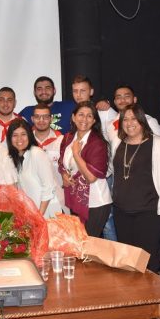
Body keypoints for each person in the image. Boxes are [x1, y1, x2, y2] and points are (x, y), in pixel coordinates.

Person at [109, 104, 160, 272]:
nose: (129, 123)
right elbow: (110, 169)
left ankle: (153, 288)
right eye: (125, 119)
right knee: (128, 260)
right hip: (121, 211)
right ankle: (132, 289)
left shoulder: (158, 143)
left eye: (134, 118)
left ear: (142, 120)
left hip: (149, 211)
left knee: (148, 259)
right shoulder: (117, 142)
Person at [58, 101, 112, 237]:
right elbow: (62, 162)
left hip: (96, 203)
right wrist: (64, 175)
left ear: (94, 120)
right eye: (81, 114)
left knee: (89, 244)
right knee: (78, 242)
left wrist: (76, 154)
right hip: (75, 199)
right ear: (73, 117)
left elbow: (91, 177)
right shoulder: (68, 138)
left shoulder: (97, 143)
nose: (84, 119)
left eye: (89, 116)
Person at [7, 119, 63, 219]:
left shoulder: (37, 154)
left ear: (29, 135)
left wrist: (39, 217)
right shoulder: (14, 158)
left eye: (23, 134)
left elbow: (48, 188)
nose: (19, 139)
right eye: (15, 135)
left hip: (48, 213)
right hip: (32, 213)